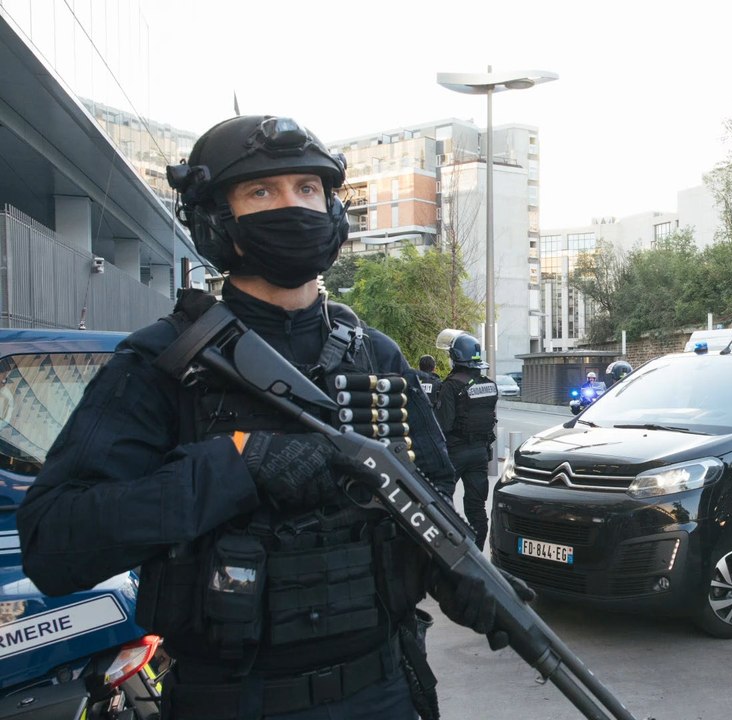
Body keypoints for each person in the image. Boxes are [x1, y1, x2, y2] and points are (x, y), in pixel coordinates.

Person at [17, 115, 512, 719]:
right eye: (262, 192)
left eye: (308, 189)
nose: (294, 206)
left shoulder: (375, 356)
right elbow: (54, 542)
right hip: (234, 700)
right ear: (216, 220)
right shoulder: (164, 363)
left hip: (384, 686)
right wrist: (237, 465)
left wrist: (458, 577)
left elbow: (425, 497)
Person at [435, 329, 499, 550]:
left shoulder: (452, 385)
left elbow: (444, 424)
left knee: (442, 501)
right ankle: (477, 551)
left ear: (456, 357)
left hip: (455, 452)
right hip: (480, 453)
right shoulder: (490, 384)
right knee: (476, 506)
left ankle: (450, 550)